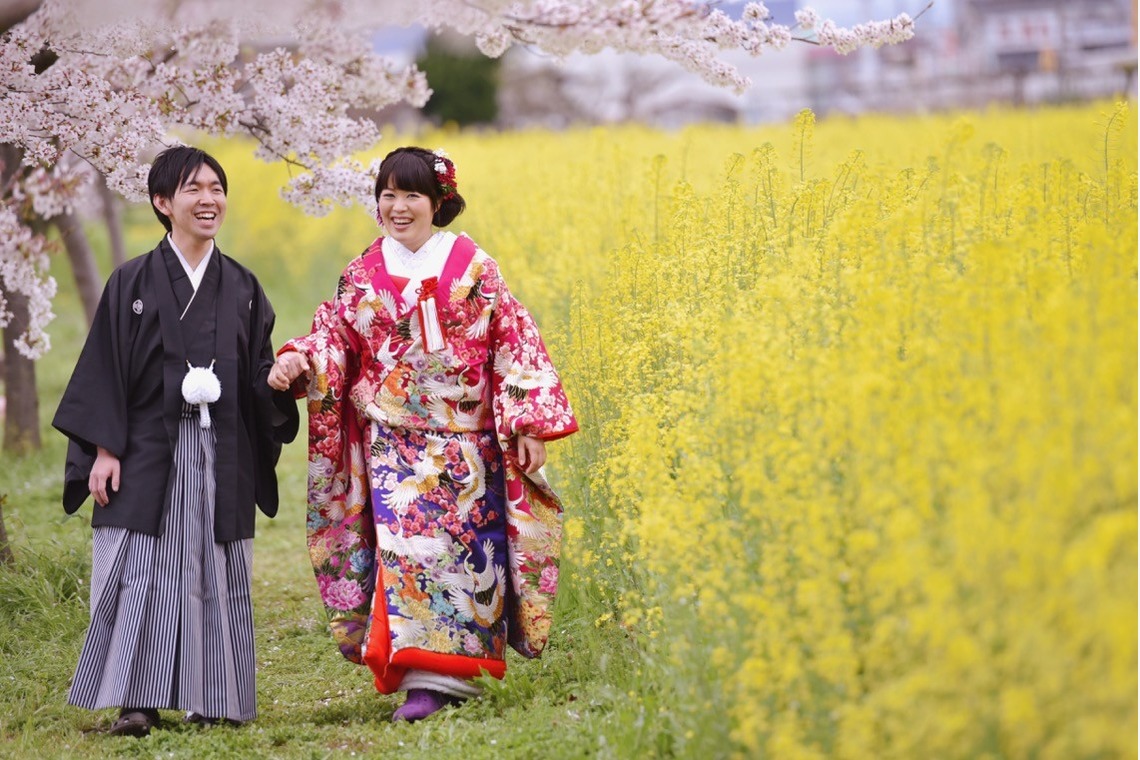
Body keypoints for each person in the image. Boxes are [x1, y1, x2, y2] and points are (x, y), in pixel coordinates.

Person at [269, 146, 577, 722]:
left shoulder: (475, 266)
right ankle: (423, 680)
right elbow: (334, 337)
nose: (397, 206)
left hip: (466, 441)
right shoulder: (362, 273)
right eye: (387, 194)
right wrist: (300, 360)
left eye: (412, 195)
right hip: (393, 442)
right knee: (408, 553)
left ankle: (456, 672)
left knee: (464, 556)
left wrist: (529, 420)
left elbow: (513, 337)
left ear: (439, 202)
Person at [52, 145, 299, 736]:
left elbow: (257, 371)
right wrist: (104, 450)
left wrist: (283, 379)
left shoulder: (242, 284)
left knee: (213, 565)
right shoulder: (132, 280)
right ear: (163, 203)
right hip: (142, 447)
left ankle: (214, 695)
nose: (208, 199)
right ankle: (136, 701)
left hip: (220, 450)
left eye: (216, 187)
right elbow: (105, 368)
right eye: (193, 189)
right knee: (139, 565)